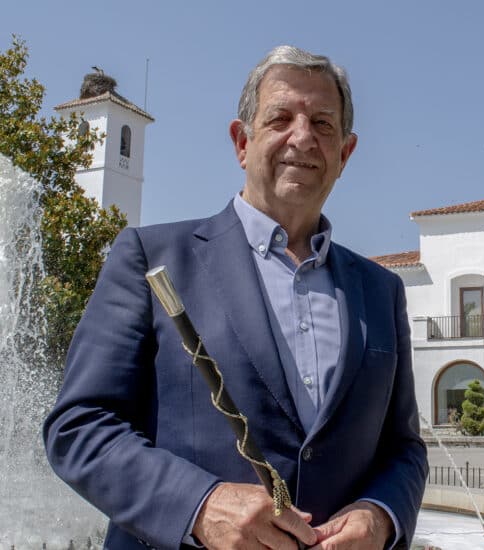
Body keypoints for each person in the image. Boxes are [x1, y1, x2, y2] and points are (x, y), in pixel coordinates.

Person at [43, 45, 428, 550]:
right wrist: (198, 505)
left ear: (345, 154)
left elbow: (404, 449)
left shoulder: (382, 290)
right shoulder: (150, 258)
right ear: (241, 142)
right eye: (280, 118)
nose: (302, 137)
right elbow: (79, 427)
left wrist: (380, 517)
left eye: (322, 124)